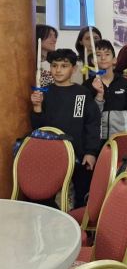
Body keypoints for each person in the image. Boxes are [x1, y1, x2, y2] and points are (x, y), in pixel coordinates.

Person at [31, 49, 101, 209]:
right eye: (54, 65)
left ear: (74, 69)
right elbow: (38, 129)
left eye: (64, 66)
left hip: (78, 155)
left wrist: (91, 152)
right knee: (47, 198)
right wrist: (37, 107)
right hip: (49, 156)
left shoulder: (81, 94)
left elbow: (91, 124)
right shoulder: (44, 93)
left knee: (80, 197)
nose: (58, 70)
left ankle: (77, 224)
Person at [84, 39, 127, 145]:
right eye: (98, 55)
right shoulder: (87, 85)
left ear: (114, 60)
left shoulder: (125, 83)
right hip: (97, 140)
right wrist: (99, 96)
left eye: (107, 54)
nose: (103, 58)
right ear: (93, 60)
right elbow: (89, 115)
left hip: (122, 138)